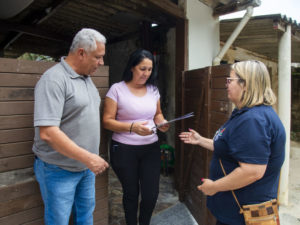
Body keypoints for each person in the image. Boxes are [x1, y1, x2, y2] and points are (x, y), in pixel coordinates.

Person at [179, 60, 286, 225]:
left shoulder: (253, 120)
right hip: (237, 211)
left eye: (230, 80)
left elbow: (252, 171)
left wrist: (214, 187)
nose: (226, 85)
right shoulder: (245, 113)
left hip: (243, 215)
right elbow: (233, 149)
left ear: (246, 85)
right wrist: (200, 140)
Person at [32, 28, 109, 225]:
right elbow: (48, 133)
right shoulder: (53, 80)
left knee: (85, 218)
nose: (101, 62)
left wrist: (87, 161)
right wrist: (88, 157)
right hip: (58, 169)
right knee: (58, 221)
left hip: (85, 168)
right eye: (98, 57)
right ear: (81, 53)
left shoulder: (87, 78)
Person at [103, 49, 169, 225]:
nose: (146, 73)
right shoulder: (117, 89)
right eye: (142, 68)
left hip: (150, 148)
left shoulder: (153, 90)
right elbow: (107, 122)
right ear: (132, 67)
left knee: (150, 194)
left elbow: (158, 114)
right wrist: (132, 127)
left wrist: (162, 123)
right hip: (124, 149)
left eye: (149, 69)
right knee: (131, 192)